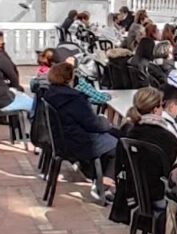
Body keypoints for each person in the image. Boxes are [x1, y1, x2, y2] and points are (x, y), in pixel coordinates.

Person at [39, 59, 121, 197]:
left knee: (113, 134)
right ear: (69, 78)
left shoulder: (49, 93)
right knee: (118, 145)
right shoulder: (74, 98)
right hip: (78, 141)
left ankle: (97, 176)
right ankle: (104, 185)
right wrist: (105, 123)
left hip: (60, 139)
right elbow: (92, 124)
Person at [109, 86, 177, 227]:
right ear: (156, 109)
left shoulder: (128, 131)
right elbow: (172, 170)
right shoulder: (166, 138)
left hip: (133, 192)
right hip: (158, 195)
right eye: (161, 106)